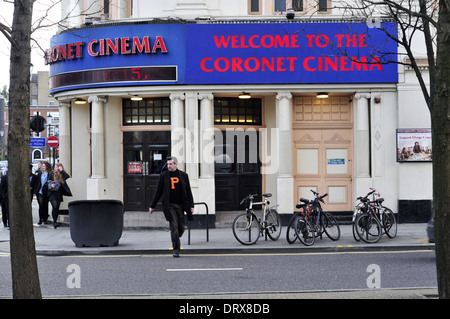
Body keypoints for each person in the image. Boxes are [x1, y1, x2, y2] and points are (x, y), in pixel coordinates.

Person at [149, 156, 194, 257]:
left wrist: (191, 205)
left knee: (181, 228)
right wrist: (152, 206)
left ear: (176, 164)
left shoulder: (183, 175)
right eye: (168, 164)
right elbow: (158, 192)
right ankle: (176, 249)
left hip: (181, 205)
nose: (168, 166)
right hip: (169, 205)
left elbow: (188, 191)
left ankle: (175, 238)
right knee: (173, 226)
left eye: (170, 164)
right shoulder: (163, 176)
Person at [47, 163, 72, 228]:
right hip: (52, 193)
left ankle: (55, 220)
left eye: (56, 167)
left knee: (57, 207)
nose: (55, 168)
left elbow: (67, 176)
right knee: (54, 206)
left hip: (59, 193)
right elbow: (48, 182)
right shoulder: (52, 174)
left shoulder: (62, 175)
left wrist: (61, 170)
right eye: (55, 167)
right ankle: (55, 222)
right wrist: (51, 185)